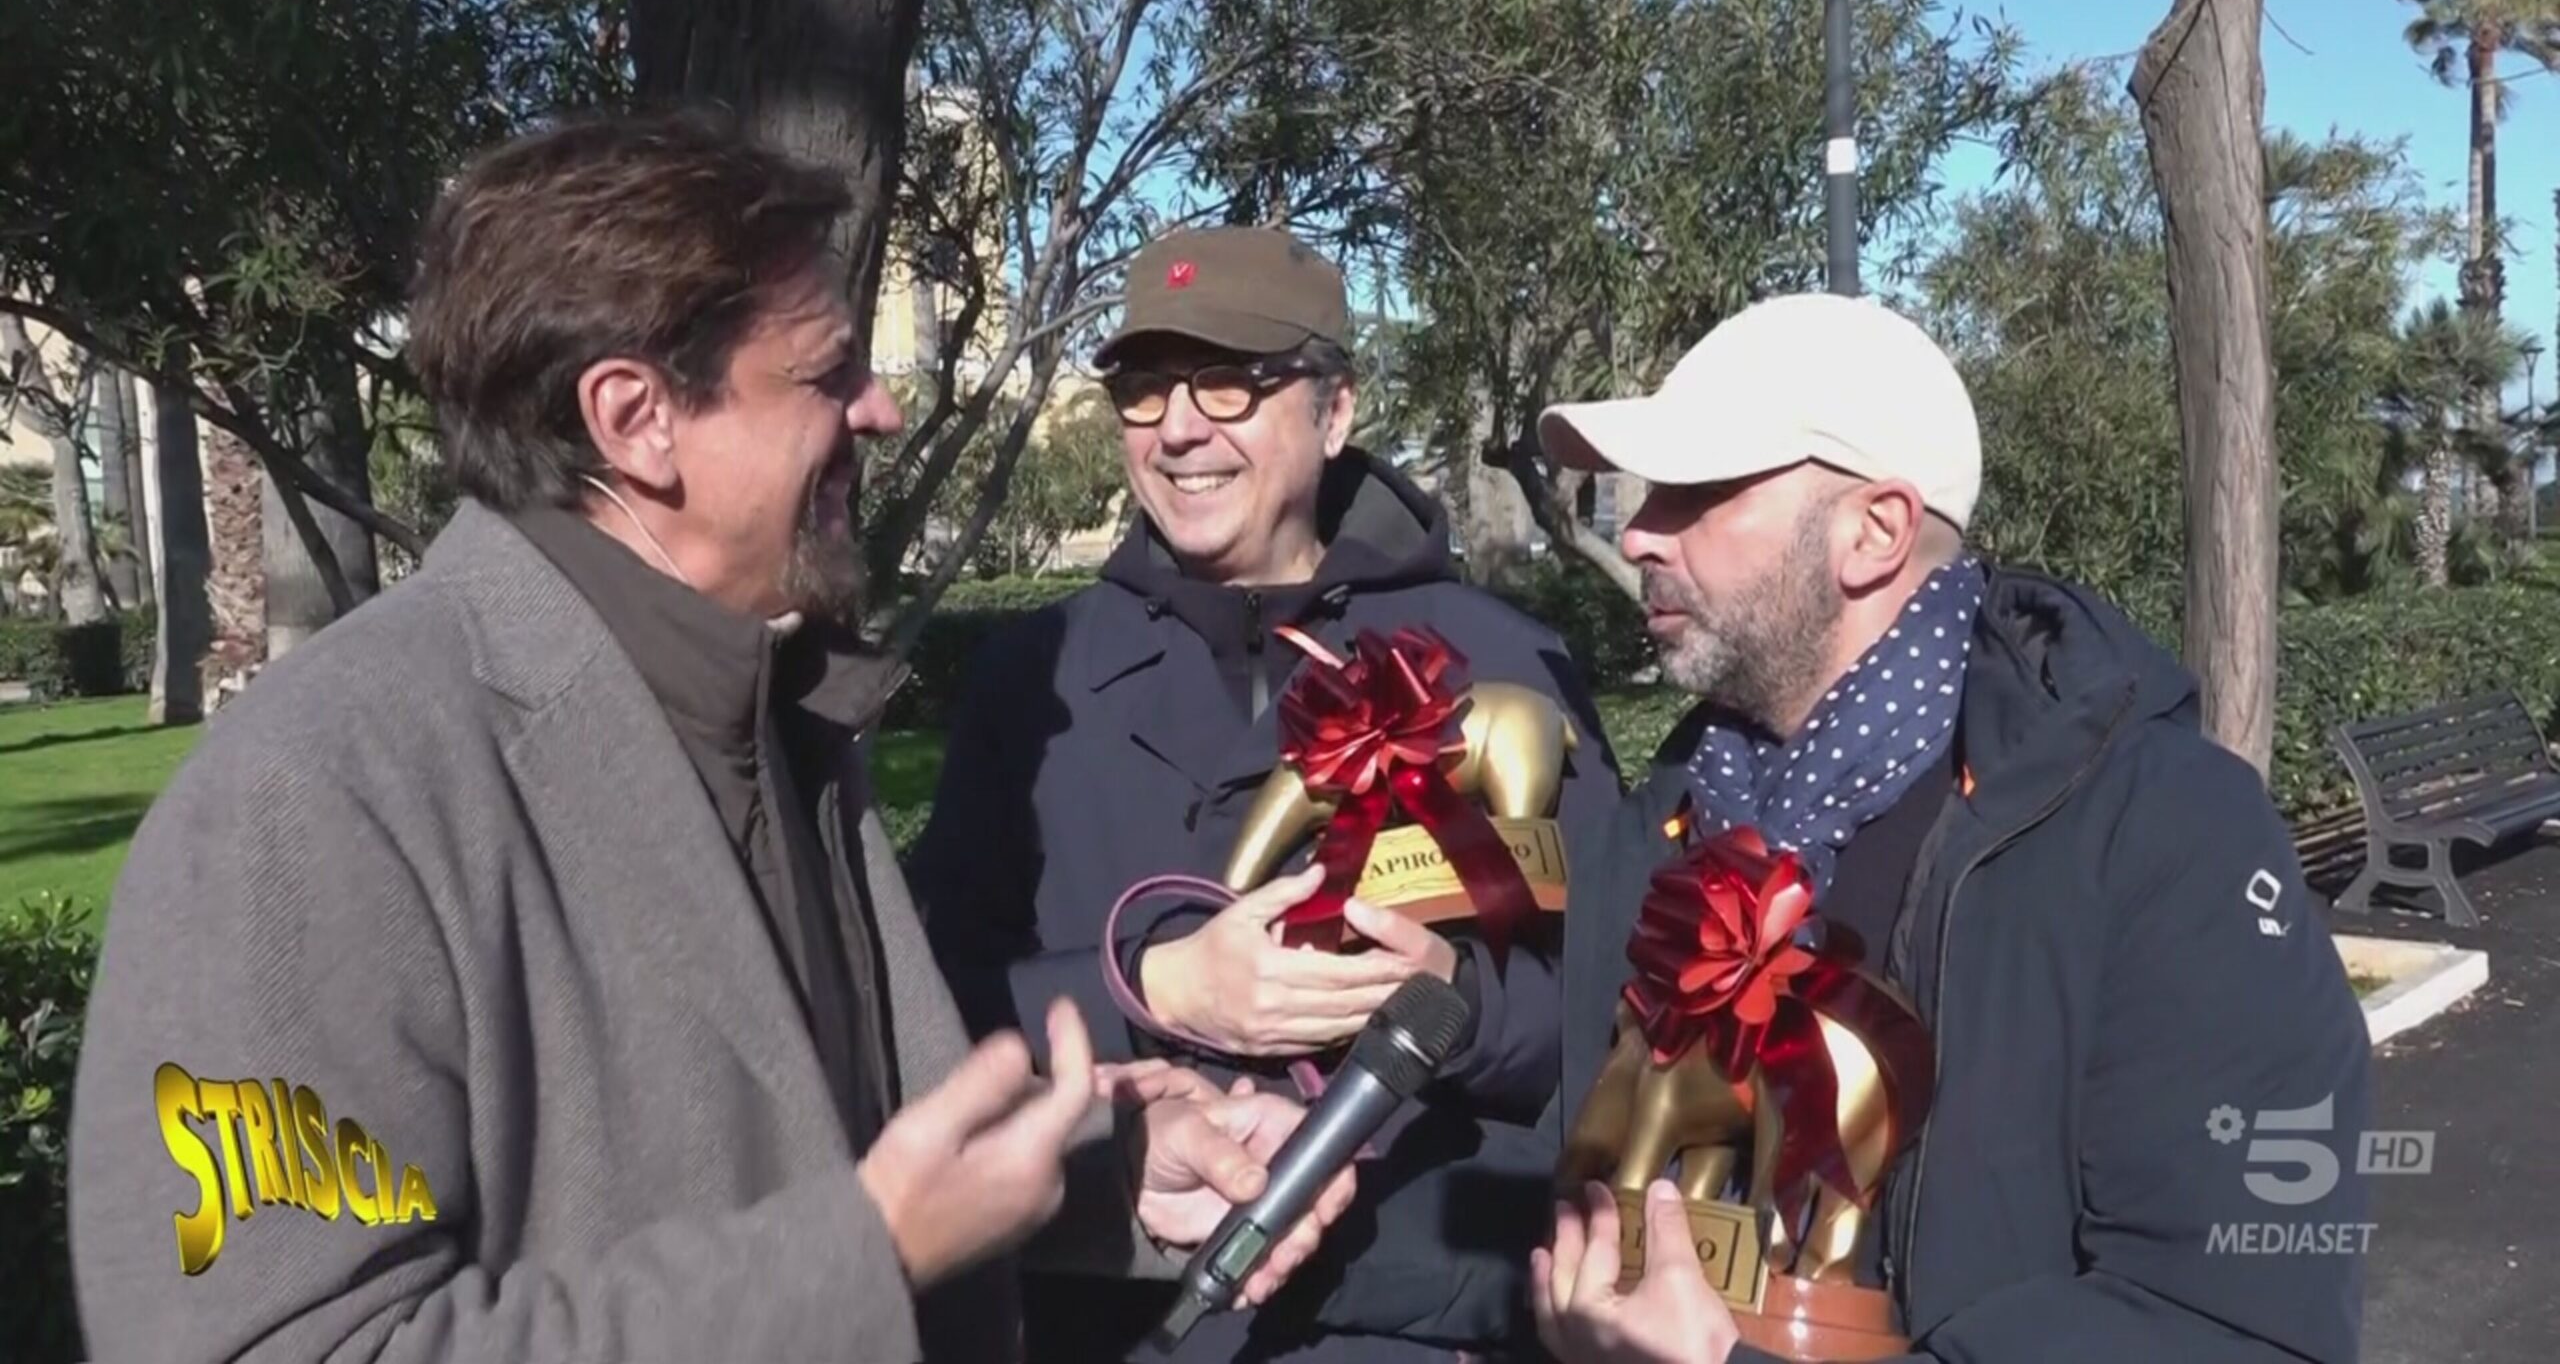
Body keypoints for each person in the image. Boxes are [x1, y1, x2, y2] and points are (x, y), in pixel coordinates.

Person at [66, 112, 1353, 1364]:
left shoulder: (780, 720)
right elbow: (282, 1342)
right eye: (826, 374)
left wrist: (1095, 1176)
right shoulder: (314, 796)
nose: (879, 409)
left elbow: (800, 1148)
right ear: (635, 419)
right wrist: (866, 1254)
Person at [1334, 293, 2372, 1362]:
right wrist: (1334, 1203)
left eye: (1698, 492)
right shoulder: (1676, 815)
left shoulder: (2160, 830)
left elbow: (2234, 1326)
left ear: (1874, 531)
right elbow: (1590, 1199)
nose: (1638, 532)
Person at [906, 225, 1626, 1360]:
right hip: (1105, 1320)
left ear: (1335, 412)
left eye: (1231, 382)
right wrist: (1154, 986)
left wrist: (1453, 1009)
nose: (1178, 427)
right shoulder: (1030, 681)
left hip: (1400, 1323)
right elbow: (925, 1002)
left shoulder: (1499, 667)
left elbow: (1615, 1023)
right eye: (1146, 388)